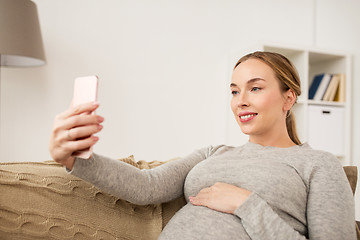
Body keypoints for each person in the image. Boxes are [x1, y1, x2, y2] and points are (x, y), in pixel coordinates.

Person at [49, 51, 356, 239]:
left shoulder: (318, 164)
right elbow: (147, 186)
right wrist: (75, 158)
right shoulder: (214, 153)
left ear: (288, 98)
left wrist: (246, 205)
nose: (241, 101)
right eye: (234, 91)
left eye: (255, 88)